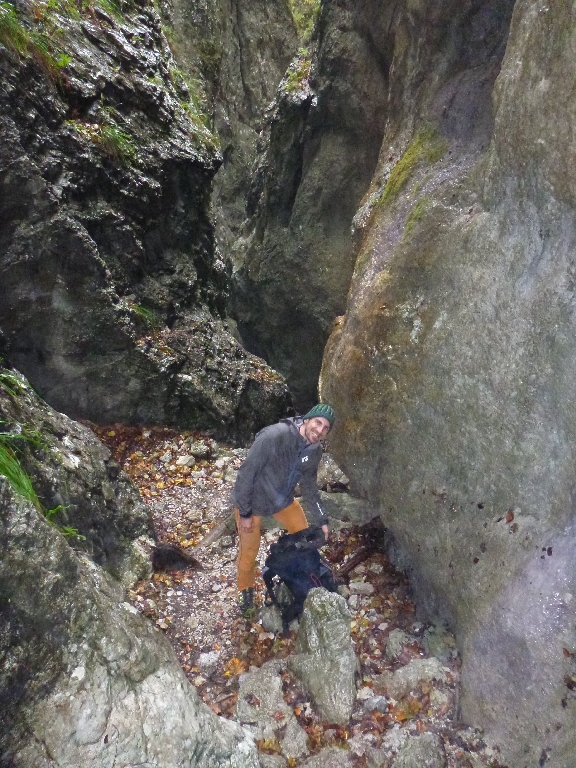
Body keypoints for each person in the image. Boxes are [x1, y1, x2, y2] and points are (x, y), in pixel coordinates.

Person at [232, 403, 336, 618]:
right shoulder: (274, 436)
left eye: (325, 428)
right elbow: (246, 474)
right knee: (249, 552)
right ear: (307, 419)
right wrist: (245, 513)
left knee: (304, 536)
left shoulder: (314, 450)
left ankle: (301, 576)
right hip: (254, 502)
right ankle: (245, 592)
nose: (320, 430)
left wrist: (322, 519)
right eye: (318, 422)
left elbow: (309, 486)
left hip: (283, 502)